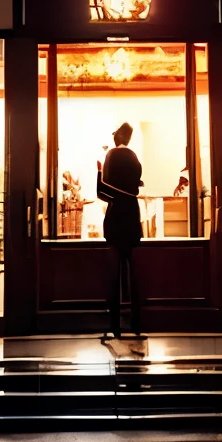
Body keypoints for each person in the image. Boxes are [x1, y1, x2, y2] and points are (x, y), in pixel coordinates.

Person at [97, 122, 143, 340]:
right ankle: (136, 324)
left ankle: (114, 324)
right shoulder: (133, 157)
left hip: (116, 217)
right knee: (133, 275)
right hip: (132, 217)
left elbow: (104, 187)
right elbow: (137, 182)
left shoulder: (111, 156)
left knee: (113, 275)